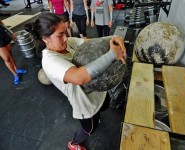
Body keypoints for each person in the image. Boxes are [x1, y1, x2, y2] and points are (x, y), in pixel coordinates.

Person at [25, 12, 126, 150]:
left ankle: (99, 112)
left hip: (97, 89)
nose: (66, 38)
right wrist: (112, 54)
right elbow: (79, 77)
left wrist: (113, 37)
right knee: (89, 129)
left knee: (105, 104)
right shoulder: (50, 61)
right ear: (45, 39)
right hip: (84, 102)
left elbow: (92, 42)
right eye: (60, 35)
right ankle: (74, 143)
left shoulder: (68, 43)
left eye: (65, 32)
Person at [0, 20, 27, 85]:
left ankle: (16, 69)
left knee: (10, 54)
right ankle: (15, 74)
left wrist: (12, 32)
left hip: (3, 34)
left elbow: (1, 23)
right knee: (6, 58)